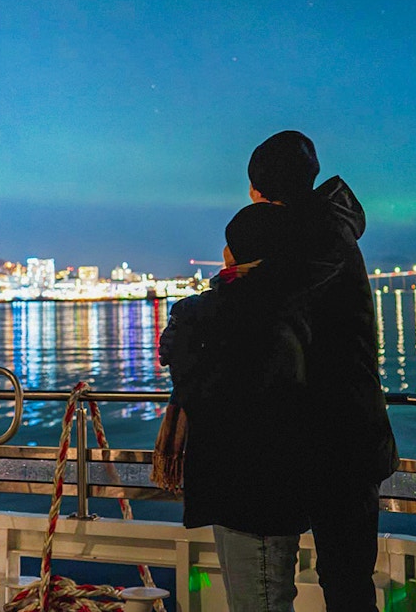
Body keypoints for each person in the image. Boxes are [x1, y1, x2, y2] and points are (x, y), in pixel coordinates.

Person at [246, 130, 399, 612]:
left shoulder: (305, 242)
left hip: (329, 441)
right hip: (347, 435)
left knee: (321, 581)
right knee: (345, 578)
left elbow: (265, 324)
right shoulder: (328, 233)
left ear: (261, 193)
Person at [155, 203, 313, 612]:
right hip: (270, 485)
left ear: (233, 255)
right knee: (263, 596)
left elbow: (180, 362)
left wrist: (198, 306)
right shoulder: (295, 303)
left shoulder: (226, 312)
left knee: (258, 600)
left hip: (246, 488)